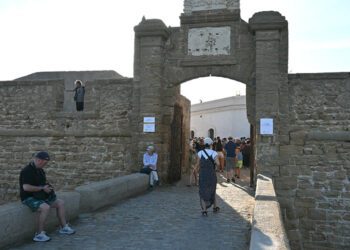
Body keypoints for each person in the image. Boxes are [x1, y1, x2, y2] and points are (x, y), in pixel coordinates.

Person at [19, 151, 75, 242]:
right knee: (45, 207)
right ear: (38, 160)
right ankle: (39, 234)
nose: (44, 165)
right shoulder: (27, 171)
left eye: (46, 163)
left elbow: (42, 184)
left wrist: (48, 188)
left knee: (60, 202)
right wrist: (42, 188)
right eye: (44, 162)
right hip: (28, 198)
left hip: (39, 196)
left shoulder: (40, 170)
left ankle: (63, 227)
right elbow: (26, 187)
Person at [196, 137, 220, 216]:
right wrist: (215, 166)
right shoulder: (214, 153)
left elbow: (198, 164)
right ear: (210, 145)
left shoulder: (200, 153)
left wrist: (196, 171)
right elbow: (218, 163)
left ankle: (204, 210)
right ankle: (215, 207)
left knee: (202, 190)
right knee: (212, 189)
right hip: (211, 174)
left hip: (203, 173)